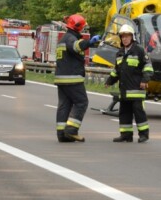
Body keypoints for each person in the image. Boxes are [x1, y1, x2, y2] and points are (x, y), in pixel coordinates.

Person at [54, 14, 100, 142]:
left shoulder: (63, 38)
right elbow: (77, 46)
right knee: (81, 102)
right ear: (78, 27)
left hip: (61, 79)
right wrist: (90, 42)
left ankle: (62, 134)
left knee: (64, 105)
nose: (84, 29)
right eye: (83, 27)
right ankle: (71, 130)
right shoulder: (70, 39)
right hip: (72, 79)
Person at [105, 24, 154, 143]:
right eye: (122, 37)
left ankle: (144, 135)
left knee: (139, 112)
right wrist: (109, 81)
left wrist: (144, 80)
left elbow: (148, 67)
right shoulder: (120, 53)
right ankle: (126, 135)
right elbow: (117, 70)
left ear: (132, 37)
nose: (124, 39)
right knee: (124, 113)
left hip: (137, 90)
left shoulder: (139, 50)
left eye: (127, 36)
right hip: (124, 90)